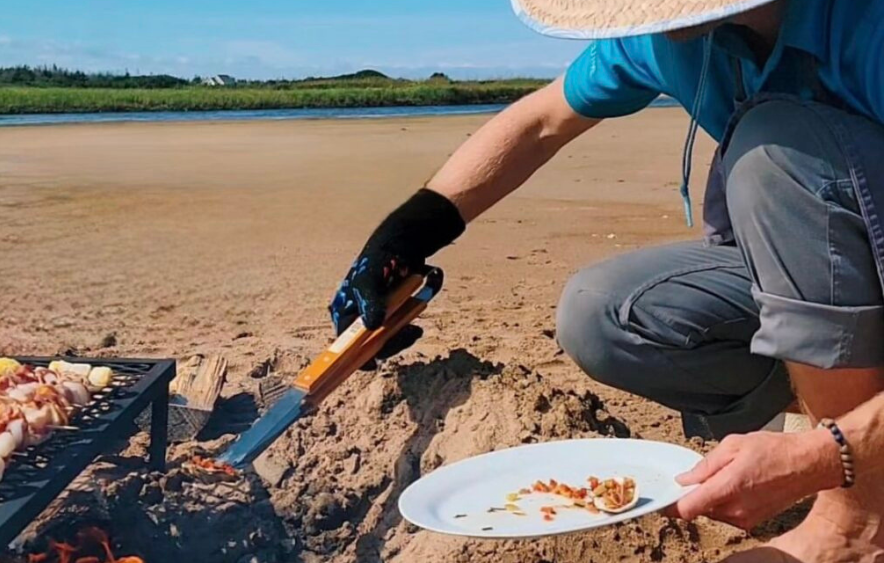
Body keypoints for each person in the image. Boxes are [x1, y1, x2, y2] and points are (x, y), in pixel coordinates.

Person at [328, 0, 884, 560]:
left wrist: (825, 456)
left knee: (775, 148)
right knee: (603, 314)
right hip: (832, 267)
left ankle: (858, 524)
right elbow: (540, 123)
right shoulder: (676, 32)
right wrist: (402, 240)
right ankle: (840, 405)